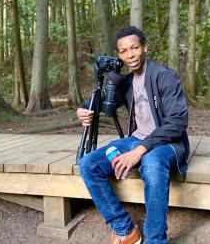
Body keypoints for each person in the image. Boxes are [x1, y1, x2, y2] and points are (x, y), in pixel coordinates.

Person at [77, 26, 189, 244]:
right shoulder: (127, 83)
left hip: (168, 143)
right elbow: (102, 102)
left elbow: (177, 122)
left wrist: (140, 150)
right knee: (88, 164)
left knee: (152, 162)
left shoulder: (165, 76)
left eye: (135, 48)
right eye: (124, 51)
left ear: (145, 47)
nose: (130, 55)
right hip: (136, 139)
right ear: (119, 54)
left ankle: (156, 240)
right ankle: (126, 231)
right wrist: (82, 109)